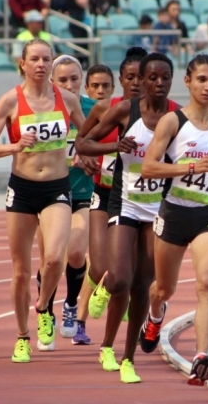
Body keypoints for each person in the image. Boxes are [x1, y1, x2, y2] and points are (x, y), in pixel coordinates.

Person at [139, 54, 208, 386]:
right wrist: (187, 167)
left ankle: (201, 356)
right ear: (188, 81)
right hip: (174, 213)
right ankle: (155, 315)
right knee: (162, 288)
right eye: (202, 79)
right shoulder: (173, 123)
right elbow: (149, 167)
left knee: (206, 283)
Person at [0, 38, 86, 363]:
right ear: (22, 64)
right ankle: (23, 336)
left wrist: (84, 151)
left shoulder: (67, 99)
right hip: (22, 189)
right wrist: (14, 146)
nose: (41, 64)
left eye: (46, 59)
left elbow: (88, 134)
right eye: (34, 59)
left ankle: (42, 309)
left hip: (56, 187)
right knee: (21, 272)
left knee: (54, 259)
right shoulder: (10, 101)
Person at [75, 52, 178, 384]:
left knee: (141, 286)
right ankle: (105, 323)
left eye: (165, 78)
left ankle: (126, 357)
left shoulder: (178, 116)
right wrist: (114, 147)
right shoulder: (124, 110)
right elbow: (83, 143)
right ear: (142, 80)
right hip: (124, 202)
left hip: (157, 208)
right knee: (118, 276)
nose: (157, 83)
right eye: (152, 78)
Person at [34, 58, 114, 350]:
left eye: (74, 79)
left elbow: (104, 146)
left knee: (77, 251)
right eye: (63, 80)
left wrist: (89, 156)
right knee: (50, 259)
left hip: (81, 193)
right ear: (52, 80)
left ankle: (70, 304)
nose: (69, 85)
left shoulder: (93, 110)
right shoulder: (42, 109)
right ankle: (46, 311)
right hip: (48, 193)